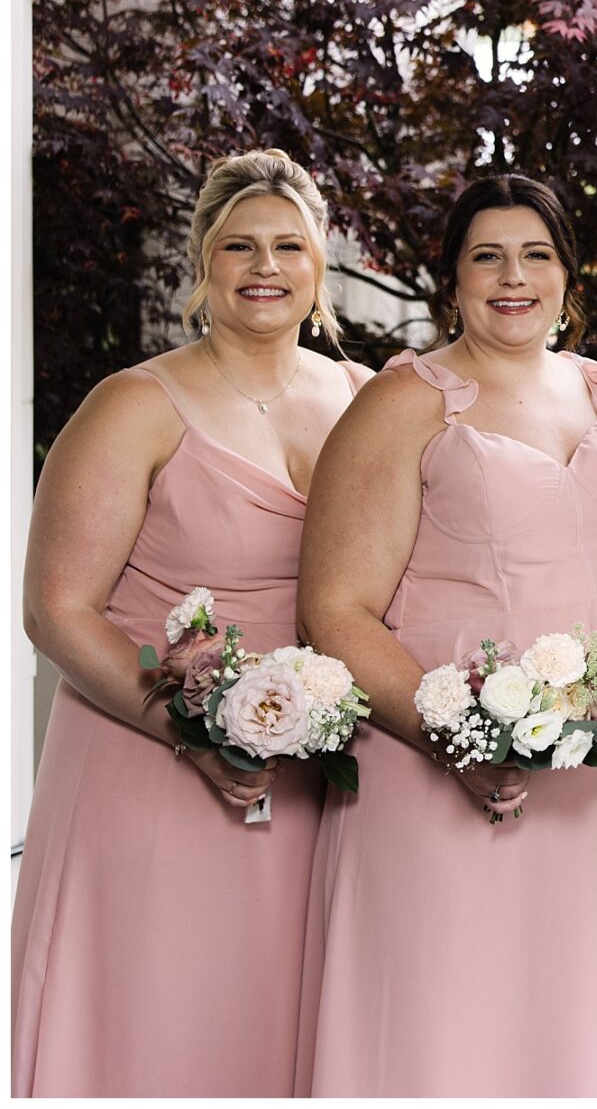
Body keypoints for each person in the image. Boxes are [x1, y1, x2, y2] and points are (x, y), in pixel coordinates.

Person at [296, 175, 597, 1097]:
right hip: (442, 759)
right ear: (450, 278)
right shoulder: (403, 402)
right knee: (440, 1007)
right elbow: (334, 607)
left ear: (569, 274)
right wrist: (452, 740)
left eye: (536, 254)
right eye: (486, 255)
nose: (514, 276)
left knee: (565, 1009)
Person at [13, 151, 368, 1096]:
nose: (266, 265)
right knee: (155, 1019)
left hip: (308, 780)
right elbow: (55, 606)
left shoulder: (365, 399)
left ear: (319, 262)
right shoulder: (134, 404)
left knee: (277, 1027)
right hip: (149, 763)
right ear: (201, 262)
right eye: (238, 245)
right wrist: (192, 733)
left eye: (289, 245)